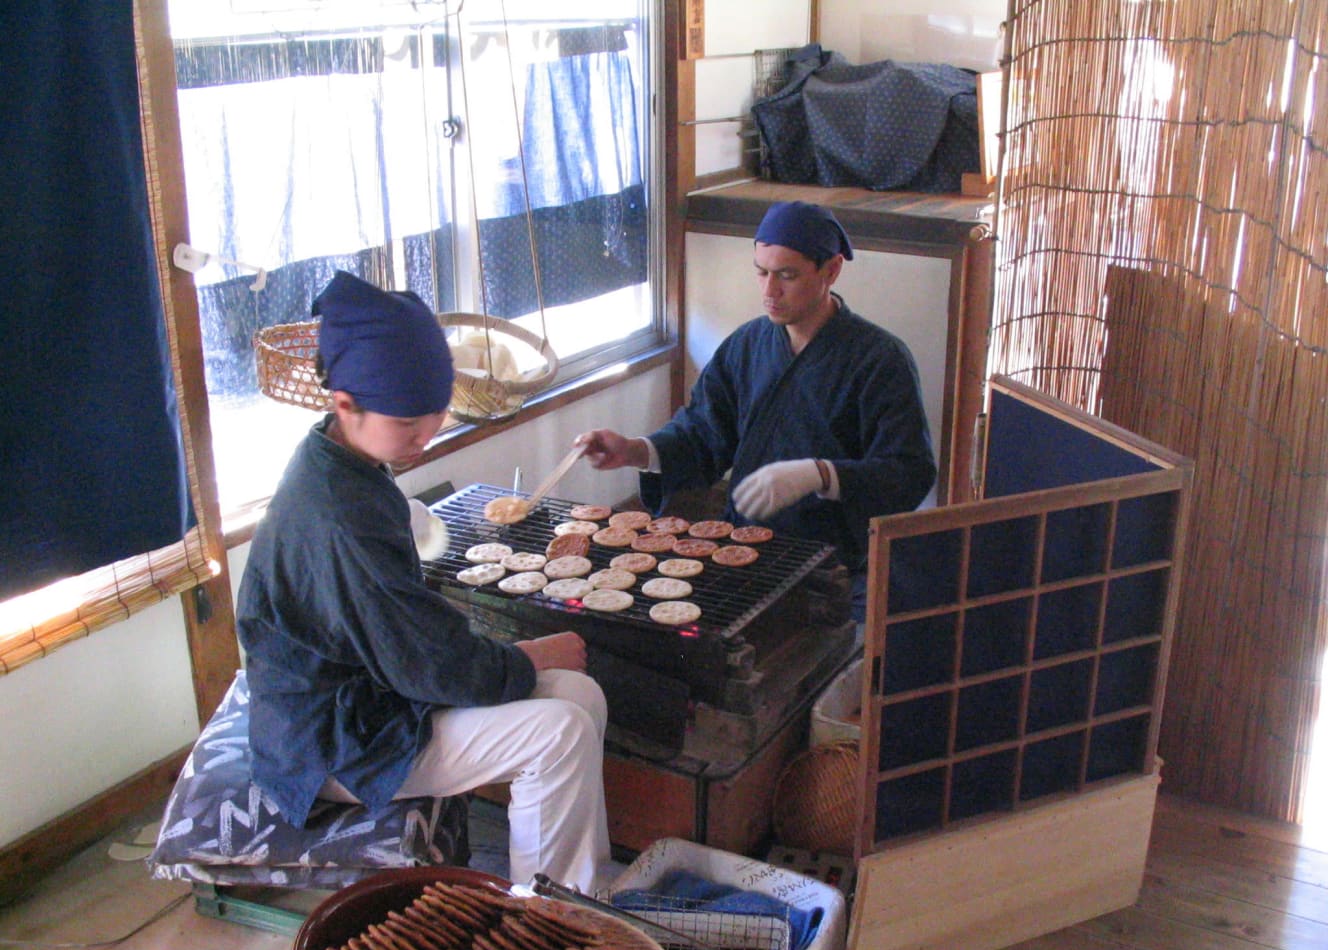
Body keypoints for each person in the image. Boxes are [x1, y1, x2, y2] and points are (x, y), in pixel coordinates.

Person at [236, 270, 613, 893]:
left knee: (582, 694)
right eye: (408, 425)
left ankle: (584, 891)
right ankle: (548, 919)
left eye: (434, 417)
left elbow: (403, 639)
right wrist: (525, 657)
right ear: (344, 403)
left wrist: (526, 664)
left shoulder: (343, 458)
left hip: (368, 698)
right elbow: (425, 664)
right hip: (327, 738)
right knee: (559, 732)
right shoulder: (336, 514)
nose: (425, 437)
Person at [577, 201, 936, 619]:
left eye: (787, 275)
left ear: (831, 271)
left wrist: (819, 474)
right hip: (741, 546)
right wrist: (635, 450)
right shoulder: (748, 345)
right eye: (761, 272)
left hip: (834, 565)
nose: (769, 291)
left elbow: (909, 470)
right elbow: (703, 433)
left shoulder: (880, 359)